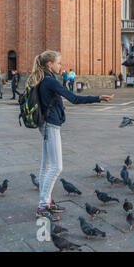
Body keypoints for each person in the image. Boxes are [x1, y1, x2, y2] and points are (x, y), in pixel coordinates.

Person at [26, 50, 114, 220]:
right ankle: (43, 206)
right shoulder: (50, 81)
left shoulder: (42, 78)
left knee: (46, 166)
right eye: (59, 63)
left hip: (45, 124)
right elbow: (74, 98)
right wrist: (98, 98)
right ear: (49, 65)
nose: (62, 66)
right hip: (51, 125)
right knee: (57, 167)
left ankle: (45, 202)